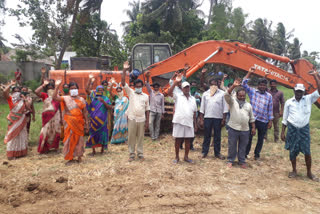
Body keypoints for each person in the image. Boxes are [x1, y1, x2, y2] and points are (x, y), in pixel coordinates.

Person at [281, 71, 320, 181]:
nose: (299, 93)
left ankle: (309, 172)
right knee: (292, 151)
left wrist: (316, 76)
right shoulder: (289, 102)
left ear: (304, 92)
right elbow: (285, 118)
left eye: (301, 91)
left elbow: (319, 90)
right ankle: (294, 170)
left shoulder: (308, 99)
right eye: (297, 91)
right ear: (294, 90)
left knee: (307, 151)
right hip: (292, 129)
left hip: (304, 129)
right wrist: (283, 132)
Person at [242, 67, 273, 160]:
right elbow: (243, 84)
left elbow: (270, 109)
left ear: (266, 86)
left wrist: (270, 121)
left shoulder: (269, 96)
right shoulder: (252, 92)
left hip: (263, 120)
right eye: (261, 85)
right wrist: (249, 73)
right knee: (249, 138)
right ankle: (245, 154)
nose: (262, 86)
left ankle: (257, 155)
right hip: (252, 120)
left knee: (260, 139)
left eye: (264, 85)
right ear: (258, 85)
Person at [53, 80, 88, 164]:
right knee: (69, 139)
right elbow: (54, 98)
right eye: (72, 88)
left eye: (75, 88)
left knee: (79, 140)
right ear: (69, 90)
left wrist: (87, 123)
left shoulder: (82, 99)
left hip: (79, 122)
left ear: (78, 89)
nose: (73, 90)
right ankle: (70, 157)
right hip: (69, 122)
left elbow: (85, 112)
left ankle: (79, 156)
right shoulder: (66, 98)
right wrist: (57, 86)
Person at [121, 61, 150, 162]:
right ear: (134, 87)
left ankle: (140, 154)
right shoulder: (131, 93)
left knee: (141, 137)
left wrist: (147, 121)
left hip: (141, 119)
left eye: (139, 86)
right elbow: (123, 83)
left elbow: (147, 109)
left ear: (142, 87)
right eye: (136, 86)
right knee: (131, 137)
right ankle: (131, 154)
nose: (138, 87)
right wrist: (124, 70)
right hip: (132, 118)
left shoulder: (146, 96)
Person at [224, 79, 256, 168]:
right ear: (237, 95)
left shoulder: (248, 105)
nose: (242, 97)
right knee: (232, 145)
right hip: (233, 127)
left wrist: (253, 128)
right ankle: (230, 160)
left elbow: (252, 118)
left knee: (243, 146)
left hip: (245, 129)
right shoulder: (232, 102)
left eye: (243, 96)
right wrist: (233, 86)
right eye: (240, 96)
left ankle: (242, 161)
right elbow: (226, 94)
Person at [168, 73, 197, 163]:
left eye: (188, 87)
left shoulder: (193, 99)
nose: (187, 89)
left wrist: (195, 124)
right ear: (182, 88)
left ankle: (186, 157)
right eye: (185, 87)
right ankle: (177, 157)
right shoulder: (178, 96)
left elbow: (194, 113)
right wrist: (175, 82)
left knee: (188, 140)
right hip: (179, 121)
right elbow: (169, 92)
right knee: (178, 140)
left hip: (189, 122)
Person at [200, 78, 228, 159]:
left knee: (217, 136)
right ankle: (204, 152)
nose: (213, 86)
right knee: (207, 135)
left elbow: (225, 107)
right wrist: (201, 119)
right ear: (209, 85)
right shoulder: (205, 94)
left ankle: (217, 153)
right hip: (207, 117)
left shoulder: (222, 94)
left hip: (218, 118)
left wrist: (224, 119)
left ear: (218, 85)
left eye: (215, 84)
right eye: (212, 84)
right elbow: (202, 107)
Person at [85, 80, 113, 154]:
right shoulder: (93, 97)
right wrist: (90, 80)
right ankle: (93, 150)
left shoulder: (106, 98)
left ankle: (102, 150)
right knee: (93, 134)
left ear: (103, 91)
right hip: (93, 121)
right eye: (99, 89)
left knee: (103, 134)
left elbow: (110, 107)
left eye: (101, 90)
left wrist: (103, 102)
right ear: (96, 90)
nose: (100, 91)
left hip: (103, 121)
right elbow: (86, 90)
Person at [3, 81, 29, 160]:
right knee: (12, 135)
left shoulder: (22, 100)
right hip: (14, 119)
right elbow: (4, 92)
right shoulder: (10, 99)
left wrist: (24, 99)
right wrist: (10, 85)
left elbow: (28, 108)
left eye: (18, 91)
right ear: (12, 92)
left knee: (22, 135)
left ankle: (21, 152)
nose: (17, 92)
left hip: (22, 118)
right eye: (15, 91)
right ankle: (11, 154)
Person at [35, 80, 61, 154]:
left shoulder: (58, 96)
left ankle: (55, 147)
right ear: (46, 89)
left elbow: (60, 107)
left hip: (56, 115)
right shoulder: (44, 95)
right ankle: (44, 148)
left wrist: (61, 118)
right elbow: (36, 91)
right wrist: (43, 85)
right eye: (48, 88)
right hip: (46, 117)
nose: (50, 89)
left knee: (56, 131)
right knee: (45, 132)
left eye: (52, 88)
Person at [145, 71, 165, 141]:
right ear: (153, 88)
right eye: (155, 87)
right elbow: (147, 85)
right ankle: (152, 136)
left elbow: (162, 104)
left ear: (159, 87)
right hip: (152, 110)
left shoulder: (161, 95)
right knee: (150, 123)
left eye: (157, 87)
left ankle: (156, 136)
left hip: (159, 111)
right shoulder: (151, 92)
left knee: (157, 125)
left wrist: (163, 113)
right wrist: (147, 77)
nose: (156, 88)